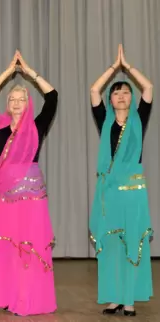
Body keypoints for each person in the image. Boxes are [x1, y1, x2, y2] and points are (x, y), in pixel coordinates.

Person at [0, 51, 58, 316]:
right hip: (8, 200)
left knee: (31, 246)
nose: (16, 103)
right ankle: (12, 295)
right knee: (10, 246)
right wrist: (7, 72)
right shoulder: (1, 127)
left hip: (33, 200)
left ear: (28, 103)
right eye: (11, 99)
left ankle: (29, 299)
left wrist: (27, 72)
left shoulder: (36, 126)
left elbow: (53, 97)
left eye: (21, 99)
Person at [89, 44, 153, 317]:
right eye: (117, 92)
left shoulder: (140, 119)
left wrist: (128, 67)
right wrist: (114, 69)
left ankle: (129, 300)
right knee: (111, 246)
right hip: (109, 192)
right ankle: (114, 298)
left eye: (127, 92)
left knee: (132, 243)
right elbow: (94, 91)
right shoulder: (104, 120)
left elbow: (148, 88)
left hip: (133, 192)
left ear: (132, 98)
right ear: (111, 100)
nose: (122, 95)